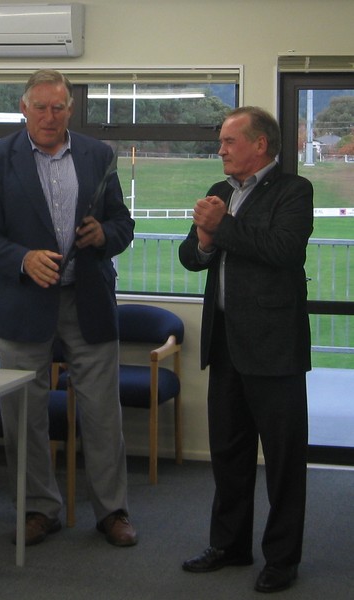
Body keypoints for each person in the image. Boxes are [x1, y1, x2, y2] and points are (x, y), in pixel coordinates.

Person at [0, 69, 137, 547]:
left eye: (58, 107)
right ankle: (39, 509)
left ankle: (113, 512)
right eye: (40, 107)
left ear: (70, 109)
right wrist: (22, 259)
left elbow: (121, 223)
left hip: (88, 300)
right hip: (24, 303)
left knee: (104, 412)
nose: (49, 116)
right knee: (23, 413)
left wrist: (105, 235)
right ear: (23, 108)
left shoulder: (97, 154)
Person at [179, 106, 313, 593]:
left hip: (275, 349)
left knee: (282, 460)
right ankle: (230, 545)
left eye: (230, 141)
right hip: (227, 347)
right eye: (220, 141)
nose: (221, 149)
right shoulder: (219, 194)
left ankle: (282, 558)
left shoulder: (294, 191)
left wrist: (222, 228)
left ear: (260, 145)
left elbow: (284, 250)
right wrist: (204, 239)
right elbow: (191, 257)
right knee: (229, 455)